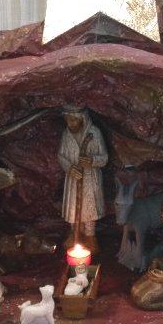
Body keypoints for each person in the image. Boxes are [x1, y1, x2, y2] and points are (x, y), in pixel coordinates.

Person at [58, 107, 108, 252]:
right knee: (73, 207)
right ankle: (75, 233)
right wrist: (69, 168)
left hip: (90, 179)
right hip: (73, 179)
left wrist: (92, 161)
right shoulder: (67, 134)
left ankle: (90, 235)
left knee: (89, 207)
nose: (70, 123)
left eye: (74, 120)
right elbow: (61, 155)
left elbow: (104, 157)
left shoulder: (94, 133)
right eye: (67, 120)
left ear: (82, 119)